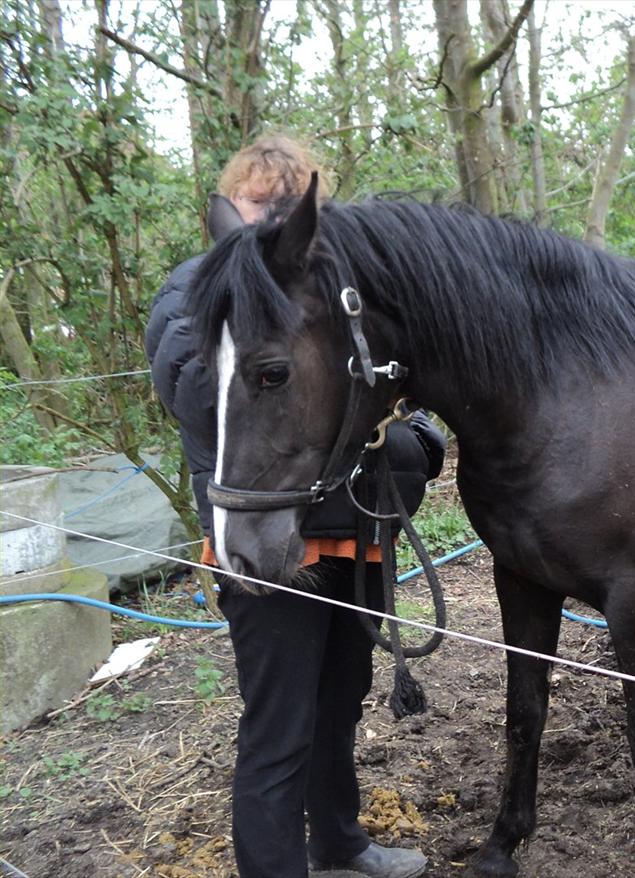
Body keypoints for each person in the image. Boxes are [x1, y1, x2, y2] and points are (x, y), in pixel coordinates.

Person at [145, 136, 443, 878]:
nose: (271, 216)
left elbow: (404, 414)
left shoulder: (332, 296)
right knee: (280, 726)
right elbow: (200, 396)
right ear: (229, 206)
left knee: (341, 701)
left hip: (355, 537)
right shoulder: (197, 291)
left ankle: (338, 843)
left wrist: (407, 444)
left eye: (289, 201)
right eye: (258, 201)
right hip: (269, 538)